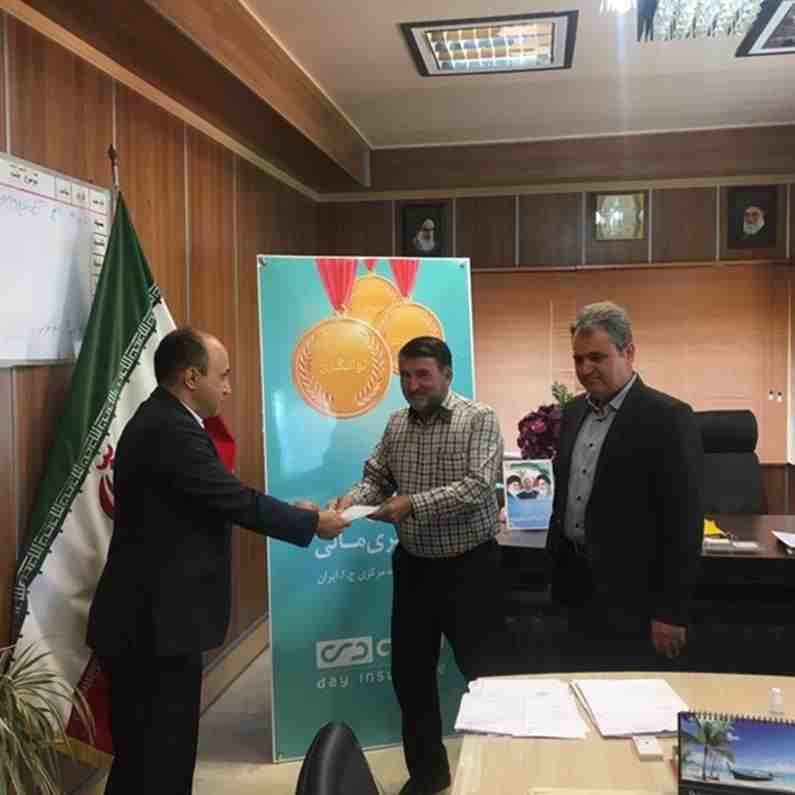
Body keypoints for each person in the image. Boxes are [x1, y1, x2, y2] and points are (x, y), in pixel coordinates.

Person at [86, 327, 349, 795]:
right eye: (222, 376)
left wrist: (296, 513)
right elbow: (233, 500)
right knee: (158, 760)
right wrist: (311, 523)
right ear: (191, 377)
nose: (228, 388)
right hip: (153, 627)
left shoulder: (166, 420)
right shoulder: (169, 429)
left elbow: (213, 498)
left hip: (151, 622)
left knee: (146, 759)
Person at [331, 336, 505, 795]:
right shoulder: (396, 423)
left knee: (487, 677)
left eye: (423, 375)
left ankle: (502, 772)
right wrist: (351, 501)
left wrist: (412, 504)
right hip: (414, 569)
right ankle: (429, 775)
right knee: (411, 678)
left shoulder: (479, 418)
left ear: (447, 374)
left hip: (471, 568)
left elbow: (478, 487)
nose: (413, 385)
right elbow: (376, 478)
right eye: (405, 376)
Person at [547, 301, 703, 672]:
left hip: (635, 598)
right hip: (575, 587)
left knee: (627, 697)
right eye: (578, 359)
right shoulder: (573, 412)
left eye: (597, 357)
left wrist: (671, 612)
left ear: (628, 352)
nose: (585, 369)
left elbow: (683, 523)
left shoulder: (667, 417)